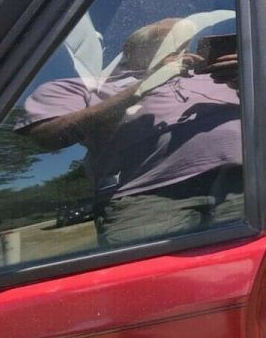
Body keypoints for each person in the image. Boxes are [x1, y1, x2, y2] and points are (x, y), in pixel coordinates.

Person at [16, 18, 243, 248]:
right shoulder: (84, 87)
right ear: (129, 49)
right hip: (148, 197)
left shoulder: (215, 76)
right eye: (166, 39)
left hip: (246, 179)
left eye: (184, 41)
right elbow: (48, 135)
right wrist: (140, 88)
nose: (179, 48)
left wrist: (244, 81)